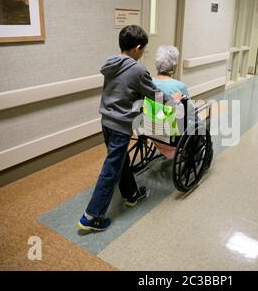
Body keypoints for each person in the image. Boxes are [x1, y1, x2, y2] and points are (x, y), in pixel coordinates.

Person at [77, 26, 182, 231]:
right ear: (137, 48)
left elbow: (122, 89)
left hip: (106, 121)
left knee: (120, 160)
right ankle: (92, 216)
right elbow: (154, 94)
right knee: (110, 170)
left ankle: (131, 194)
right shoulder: (137, 70)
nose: (143, 53)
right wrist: (174, 104)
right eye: (143, 49)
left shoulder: (111, 63)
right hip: (120, 125)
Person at [151, 45, 193, 159]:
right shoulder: (179, 86)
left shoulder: (149, 82)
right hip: (172, 133)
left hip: (152, 128)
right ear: (173, 65)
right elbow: (189, 111)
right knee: (196, 121)